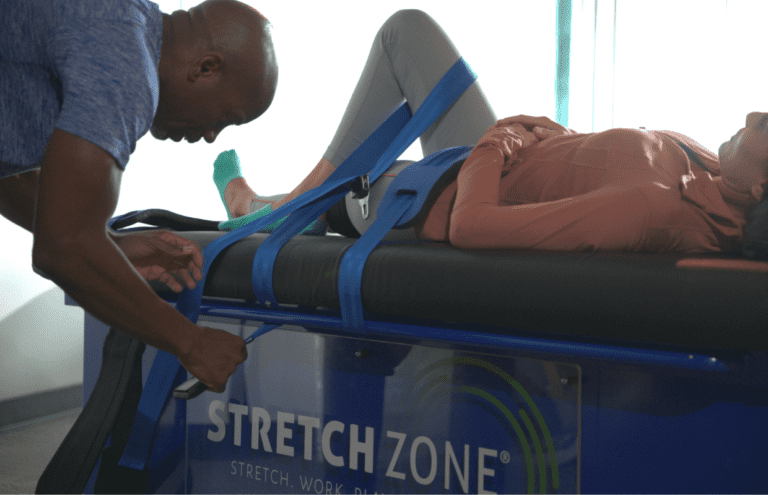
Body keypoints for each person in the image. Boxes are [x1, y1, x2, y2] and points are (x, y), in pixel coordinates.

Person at [222, 9, 766, 255]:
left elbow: (474, 228)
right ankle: (283, 204)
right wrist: (546, 134)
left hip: (445, 198)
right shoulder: (709, 165)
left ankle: (281, 207)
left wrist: (499, 141)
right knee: (406, 33)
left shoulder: (657, 207)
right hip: (497, 158)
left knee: (357, 192)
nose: (757, 116)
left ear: (763, 192)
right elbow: (585, 167)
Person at [0, 0, 278, 392]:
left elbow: (7, 174)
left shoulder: (116, 20)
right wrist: (191, 342)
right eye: (226, 118)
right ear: (205, 68)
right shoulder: (126, 62)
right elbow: (63, 247)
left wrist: (111, 244)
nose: (213, 135)